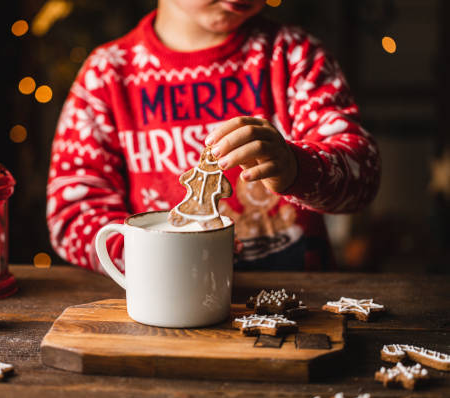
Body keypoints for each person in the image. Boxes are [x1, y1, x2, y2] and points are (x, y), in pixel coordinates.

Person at [46, 0, 380, 273]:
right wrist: (160, 258)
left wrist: (296, 168)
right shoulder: (107, 75)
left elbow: (363, 175)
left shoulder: (294, 57)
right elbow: (72, 214)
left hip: (301, 310)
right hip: (170, 319)